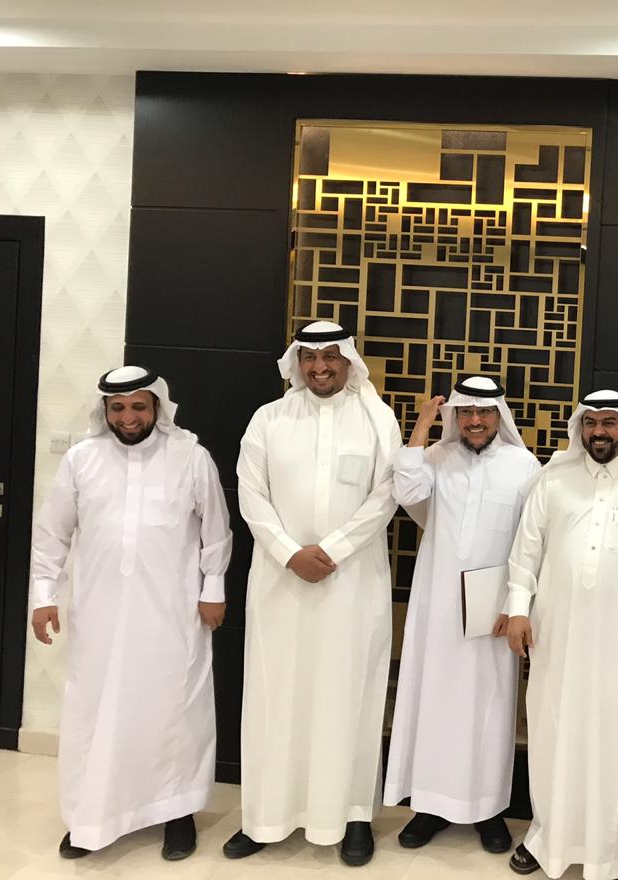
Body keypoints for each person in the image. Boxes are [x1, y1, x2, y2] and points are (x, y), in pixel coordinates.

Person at [30, 365, 231, 861]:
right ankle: (90, 815)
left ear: (157, 407)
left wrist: (213, 589)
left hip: (172, 614)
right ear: (105, 410)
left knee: (172, 710)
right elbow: (52, 535)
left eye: (139, 406)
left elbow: (215, 532)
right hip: (99, 614)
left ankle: (177, 812)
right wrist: (43, 596)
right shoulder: (81, 459)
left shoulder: (190, 456)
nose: (128, 416)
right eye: (117, 407)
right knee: (95, 711)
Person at [223, 321, 401, 867]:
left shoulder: (377, 418)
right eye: (310, 357)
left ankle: (352, 816)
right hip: (281, 583)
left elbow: (388, 492)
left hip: (353, 584)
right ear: (296, 363)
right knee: (276, 696)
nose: (320, 367)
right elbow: (250, 493)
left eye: (330, 357)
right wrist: (288, 553)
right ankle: (264, 817)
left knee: (350, 696)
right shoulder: (269, 419)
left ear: (348, 361)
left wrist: (334, 549)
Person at [505, 389, 618, 880]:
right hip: (557, 636)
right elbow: (526, 552)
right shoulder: (554, 479)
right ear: (580, 428)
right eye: (591, 423)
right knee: (554, 731)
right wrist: (518, 610)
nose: (599, 432)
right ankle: (547, 839)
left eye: (610, 422)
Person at [385, 376, 539, 853]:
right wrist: (422, 427)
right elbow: (407, 491)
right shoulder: (436, 457)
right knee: (433, 699)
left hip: (493, 613)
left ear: (499, 416)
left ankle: (488, 810)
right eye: (465, 412)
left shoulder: (523, 465)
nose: (475, 421)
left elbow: (533, 540)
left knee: (490, 709)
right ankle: (430, 806)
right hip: (438, 604)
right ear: (454, 416)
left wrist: (515, 604)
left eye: (484, 412)